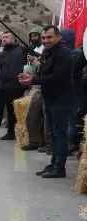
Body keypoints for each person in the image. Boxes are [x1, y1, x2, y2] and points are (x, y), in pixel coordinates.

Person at [19, 25, 73, 178]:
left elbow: (57, 77)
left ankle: (59, 168)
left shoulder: (63, 53)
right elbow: (44, 72)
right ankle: (53, 163)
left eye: (49, 37)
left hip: (61, 99)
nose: (46, 40)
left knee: (60, 133)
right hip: (49, 97)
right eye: (44, 38)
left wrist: (33, 80)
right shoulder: (47, 52)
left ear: (58, 37)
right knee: (53, 134)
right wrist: (31, 77)